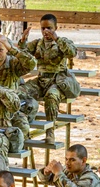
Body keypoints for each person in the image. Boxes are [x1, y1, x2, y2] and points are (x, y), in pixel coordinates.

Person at [19, 14, 81, 146]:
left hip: (57, 80)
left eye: (49, 28)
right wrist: (23, 41)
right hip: (41, 79)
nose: (46, 31)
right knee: (20, 91)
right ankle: (23, 126)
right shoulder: (37, 44)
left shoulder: (62, 42)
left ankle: (50, 132)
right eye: (43, 28)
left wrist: (57, 39)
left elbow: (72, 53)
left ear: (56, 28)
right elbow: (21, 54)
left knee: (52, 96)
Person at [33, 144, 100, 187]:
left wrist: (58, 173)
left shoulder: (90, 178)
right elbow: (49, 181)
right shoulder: (68, 171)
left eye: (72, 160)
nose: (67, 163)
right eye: (66, 159)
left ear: (83, 161)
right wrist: (46, 173)